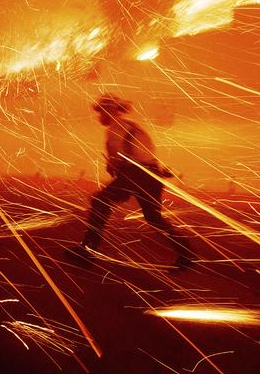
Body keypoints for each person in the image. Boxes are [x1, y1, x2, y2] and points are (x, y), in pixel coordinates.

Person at [70, 94, 194, 270]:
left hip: (136, 175)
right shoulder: (132, 126)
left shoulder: (116, 128)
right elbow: (146, 152)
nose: (99, 116)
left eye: (102, 111)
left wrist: (112, 164)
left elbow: (117, 155)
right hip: (151, 175)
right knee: (154, 218)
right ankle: (186, 253)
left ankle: (88, 251)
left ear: (111, 110)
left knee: (99, 202)